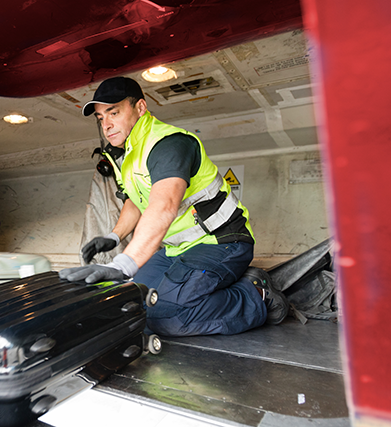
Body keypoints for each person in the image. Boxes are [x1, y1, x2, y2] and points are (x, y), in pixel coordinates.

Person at [59, 77, 289, 336]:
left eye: (114, 112)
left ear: (141, 108)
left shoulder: (168, 144)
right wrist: (114, 237)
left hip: (222, 243)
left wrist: (122, 265)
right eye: (101, 118)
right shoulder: (126, 157)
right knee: (134, 302)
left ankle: (255, 294)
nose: (107, 125)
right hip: (177, 250)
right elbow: (136, 201)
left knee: (167, 316)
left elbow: (164, 205)